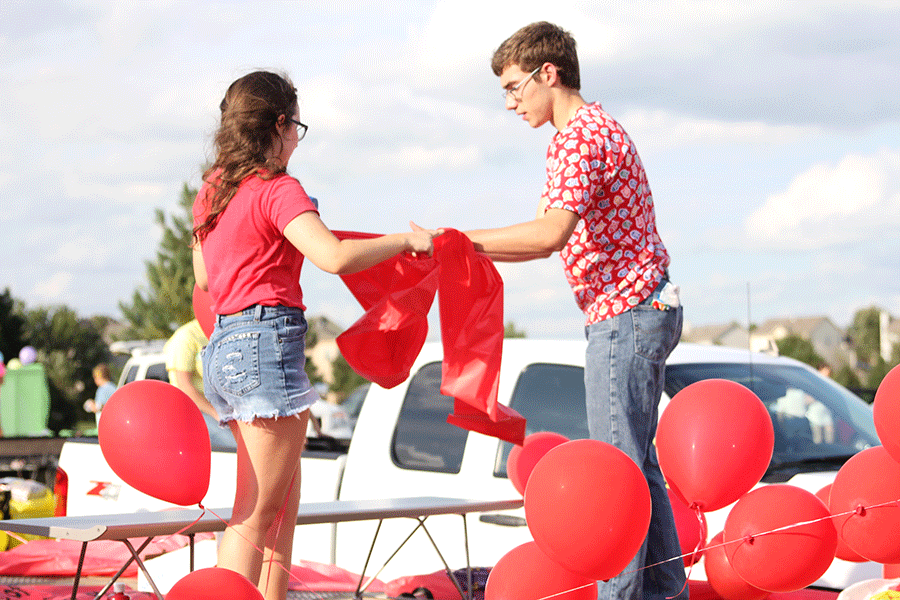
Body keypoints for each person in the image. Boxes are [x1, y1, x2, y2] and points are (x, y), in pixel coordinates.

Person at [191, 70, 440, 600]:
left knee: (278, 511)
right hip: (265, 344)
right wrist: (403, 242)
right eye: (297, 127)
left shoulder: (213, 191)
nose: (296, 141)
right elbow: (331, 256)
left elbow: (204, 279)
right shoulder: (277, 189)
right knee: (255, 517)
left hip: (225, 347)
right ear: (280, 125)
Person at [462, 22, 686, 600]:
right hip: (643, 306)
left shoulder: (579, 137)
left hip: (625, 312)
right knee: (639, 468)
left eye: (514, 88)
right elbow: (539, 232)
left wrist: (459, 240)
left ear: (549, 74)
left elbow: (548, 235)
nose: (509, 103)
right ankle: (666, 592)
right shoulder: (594, 130)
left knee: (616, 476)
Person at [163, 319, 217, 420]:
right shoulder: (186, 336)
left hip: (219, 408)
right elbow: (184, 386)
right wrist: (216, 414)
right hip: (195, 411)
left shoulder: (221, 330)